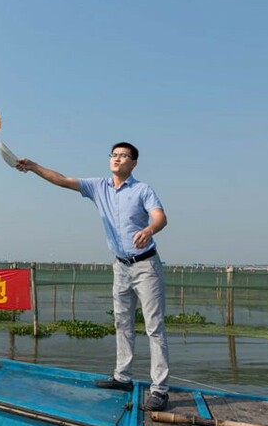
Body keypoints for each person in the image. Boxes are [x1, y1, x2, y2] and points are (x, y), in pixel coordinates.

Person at [16, 141, 169, 411]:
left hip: (146, 266)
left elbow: (160, 217)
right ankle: (123, 377)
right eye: (114, 155)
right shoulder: (98, 187)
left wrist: (149, 230)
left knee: (154, 328)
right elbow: (62, 180)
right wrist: (34, 167)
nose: (117, 159)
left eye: (124, 156)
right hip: (120, 266)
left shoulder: (143, 190)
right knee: (122, 323)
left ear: (133, 163)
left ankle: (160, 389)